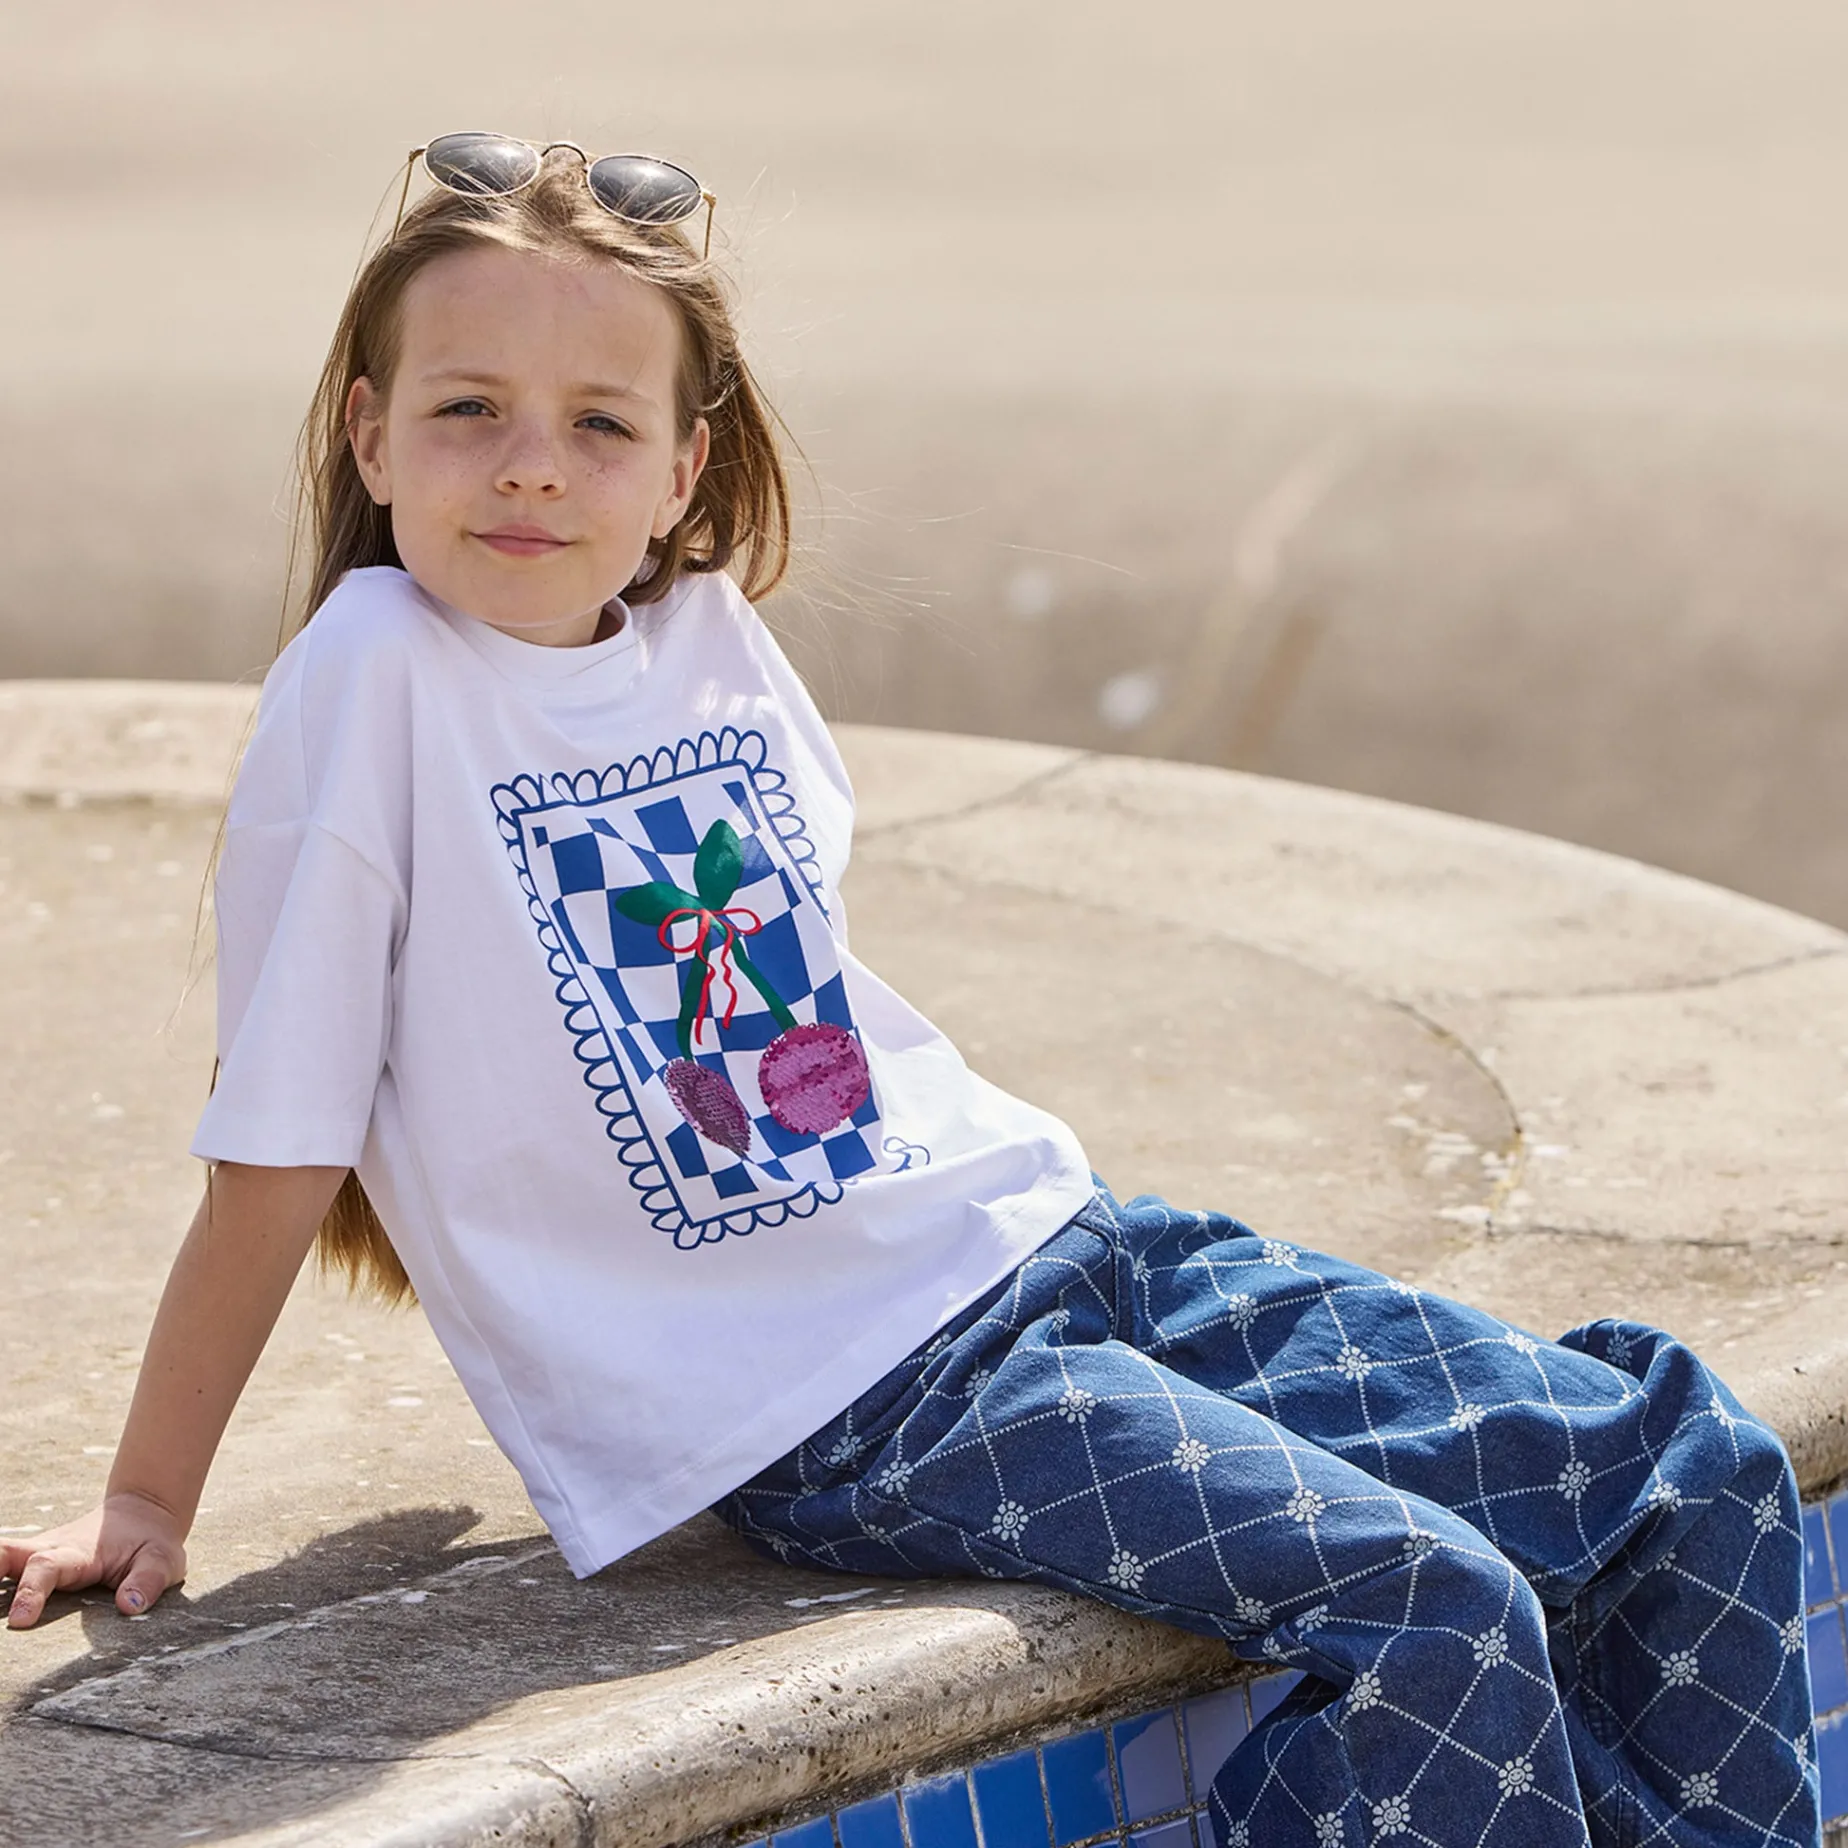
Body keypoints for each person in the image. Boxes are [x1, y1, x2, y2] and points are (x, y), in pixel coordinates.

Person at [0, 135, 1820, 1848]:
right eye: (469, 408)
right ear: (371, 432)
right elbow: (285, 1134)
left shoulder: (707, 639)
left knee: (1688, 1465)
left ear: (684, 468)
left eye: (601, 421)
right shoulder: (373, 682)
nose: (533, 465)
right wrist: (149, 1496)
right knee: (1436, 1609)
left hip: (1053, 1237)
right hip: (859, 1406)